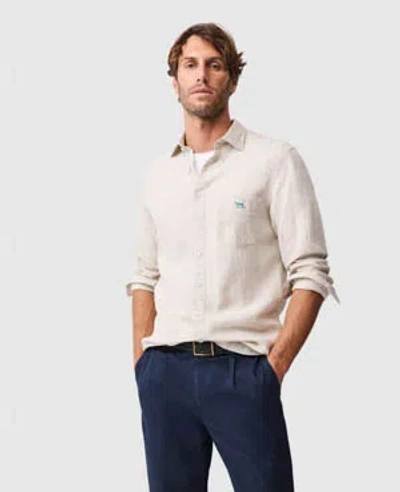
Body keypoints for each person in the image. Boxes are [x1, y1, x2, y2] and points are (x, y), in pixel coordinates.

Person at [125, 22, 339, 492]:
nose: (201, 75)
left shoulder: (274, 161)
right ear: (175, 81)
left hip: (243, 371)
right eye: (190, 65)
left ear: (233, 79)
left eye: (214, 65)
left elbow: (310, 271)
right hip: (165, 375)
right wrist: (143, 362)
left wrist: (272, 369)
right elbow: (144, 276)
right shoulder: (159, 175)